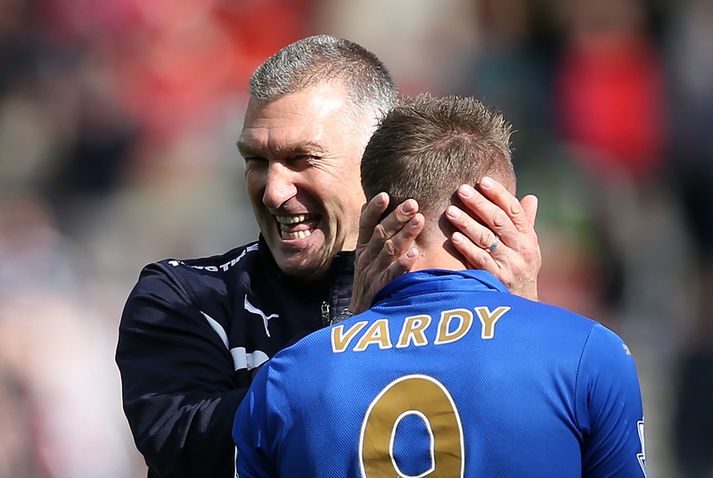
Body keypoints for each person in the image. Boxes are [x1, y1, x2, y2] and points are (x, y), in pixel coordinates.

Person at [116, 35, 541, 478]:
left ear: (375, 159)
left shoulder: (467, 295)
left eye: (302, 159)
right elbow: (194, 458)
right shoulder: (185, 298)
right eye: (256, 159)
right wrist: (358, 333)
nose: (273, 190)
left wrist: (524, 326)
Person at [233, 93, 646, 477]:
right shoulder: (585, 354)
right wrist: (523, 315)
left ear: (376, 223)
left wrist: (350, 324)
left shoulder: (285, 378)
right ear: (499, 218)